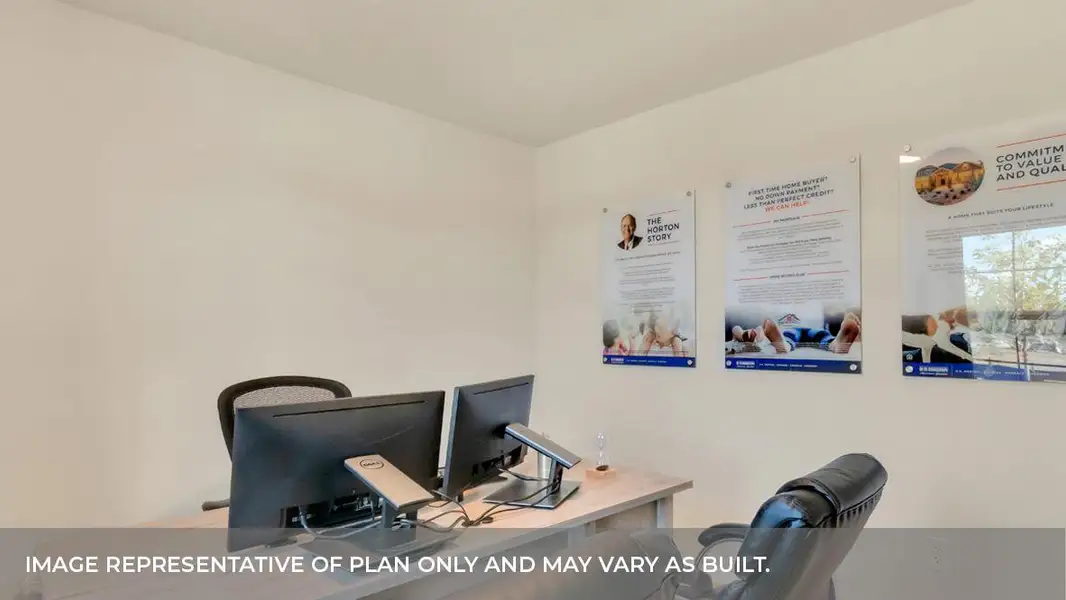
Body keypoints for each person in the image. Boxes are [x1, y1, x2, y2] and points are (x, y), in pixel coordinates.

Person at [728, 313, 861, 355]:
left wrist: (740, 332)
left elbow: (737, 329)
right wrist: (743, 334)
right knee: (823, 336)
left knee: (822, 335)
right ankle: (835, 344)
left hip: (792, 331)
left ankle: (838, 343)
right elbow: (742, 330)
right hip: (803, 330)